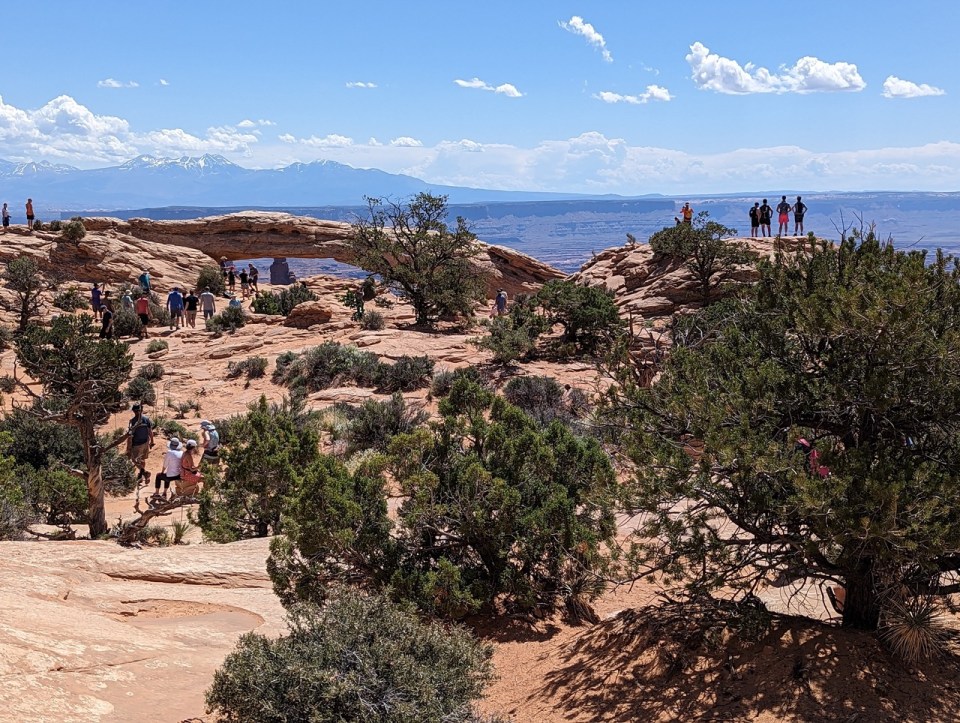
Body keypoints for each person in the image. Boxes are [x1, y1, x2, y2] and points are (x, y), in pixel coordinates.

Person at [126, 403, 154, 485]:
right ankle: (141, 475)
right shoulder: (146, 419)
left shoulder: (132, 421)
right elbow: (150, 431)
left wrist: (128, 447)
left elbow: (130, 435)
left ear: (133, 411)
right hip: (145, 442)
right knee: (142, 459)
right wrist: (152, 441)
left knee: (134, 460)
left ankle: (144, 473)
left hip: (137, 444)